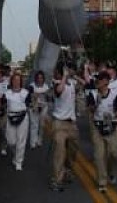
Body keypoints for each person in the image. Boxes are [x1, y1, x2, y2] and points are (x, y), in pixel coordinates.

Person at [87, 71, 117, 193]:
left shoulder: (114, 94)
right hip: (97, 126)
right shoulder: (93, 93)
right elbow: (91, 109)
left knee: (115, 154)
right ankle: (102, 181)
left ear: (106, 82)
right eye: (97, 79)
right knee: (99, 155)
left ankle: (109, 171)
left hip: (111, 125)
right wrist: (97, 102)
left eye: (100, 79)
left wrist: (115, 115)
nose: (97, 82)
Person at [48, 63, 80, 192]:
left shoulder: (72, 83)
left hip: (71, 123)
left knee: (73, 150)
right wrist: (64, 77)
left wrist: (76, 75)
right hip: (59, 124)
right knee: (60, 152)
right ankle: (57, 179)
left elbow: (87, 84)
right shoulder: (56, 83)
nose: (54, 73)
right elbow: (59, 91)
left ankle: (67, 170)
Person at [2, 72, 31, 172]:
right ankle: (15, 154)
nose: (16, 82)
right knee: (11, 141)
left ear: (21, 81)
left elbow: (29, 103)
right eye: (14, 80)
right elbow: (2, 103)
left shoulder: (25, 92)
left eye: (18, 80)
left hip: (22, 117)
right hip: (11, 117)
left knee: (21, 141)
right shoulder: (7, 93)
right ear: (12, 81)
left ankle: (19, 162)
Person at [27, 70, 51, 148]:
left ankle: (40, 140)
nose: (40, 79)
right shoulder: (31, 86)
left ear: (43, 79)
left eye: (41, 78)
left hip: (43, 107)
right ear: (36, 78)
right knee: (34, 124)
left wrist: (46, 95)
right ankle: (33, 142)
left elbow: (48, 98)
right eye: (38, 78)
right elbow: (29, 96)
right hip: (34, 107)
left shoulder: (46, 86)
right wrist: (35, 95)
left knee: (42, 125)